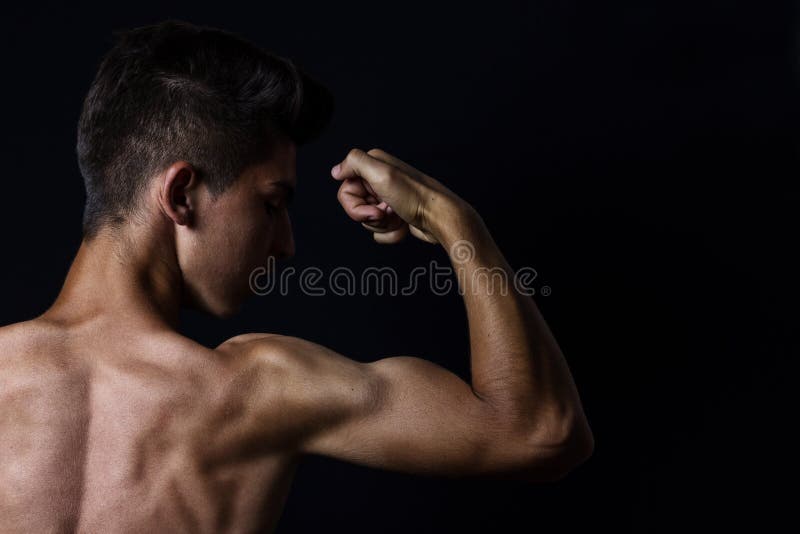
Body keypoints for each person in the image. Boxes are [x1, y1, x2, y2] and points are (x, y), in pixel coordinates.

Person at [0, 19, 593, 533]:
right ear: (181, 195)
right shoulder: (258, 391)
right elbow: (540, 431)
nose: (285, 245)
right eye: (271, 203)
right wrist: (454, 221)